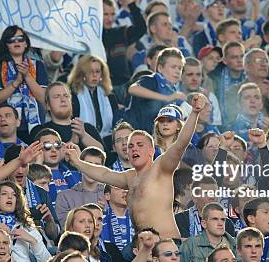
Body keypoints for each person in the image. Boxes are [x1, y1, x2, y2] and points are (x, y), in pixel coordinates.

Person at [65, 93, 207, 238]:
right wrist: (77, 162)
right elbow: (103, 174)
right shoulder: (129, 176)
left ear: (152, 151)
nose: (134, 149)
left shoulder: (160, 167)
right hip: (142, 246)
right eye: (130, 146)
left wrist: (195, 113)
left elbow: (179, 145)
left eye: (140, 145)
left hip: (166, 244)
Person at [0, 26, 48, 138]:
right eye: (11, 40)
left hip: (35, 127)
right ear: (6, 44)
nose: (16, 42)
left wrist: (27, 76)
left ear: (26, 43)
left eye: (20, 38)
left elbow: (44, 99)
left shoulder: (38, 65)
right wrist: (17, 82)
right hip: (8, 128)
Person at [0, 181, 51, 262]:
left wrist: (32, 241)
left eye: (14, 195)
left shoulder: (27, 226)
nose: (9, 197)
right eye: (4, 194)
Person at [56, 147, 106, 228]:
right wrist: (90, 213)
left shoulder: (112, 195)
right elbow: (64, 228)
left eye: (96, 165)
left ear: (103, 169)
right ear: (79, 167)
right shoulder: (64, 197)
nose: (92, 169)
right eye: (87, 164)